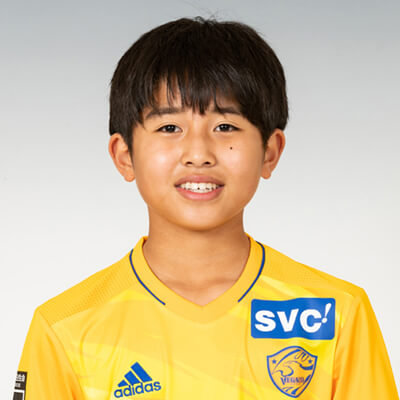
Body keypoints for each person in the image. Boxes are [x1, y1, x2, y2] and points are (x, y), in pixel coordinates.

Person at [13, 16, 398, 400]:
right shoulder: (65, 328)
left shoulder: (335, 315)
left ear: (269, 152)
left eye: (225, 127)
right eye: (169, 128)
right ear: (124, 155)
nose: (198, 154)